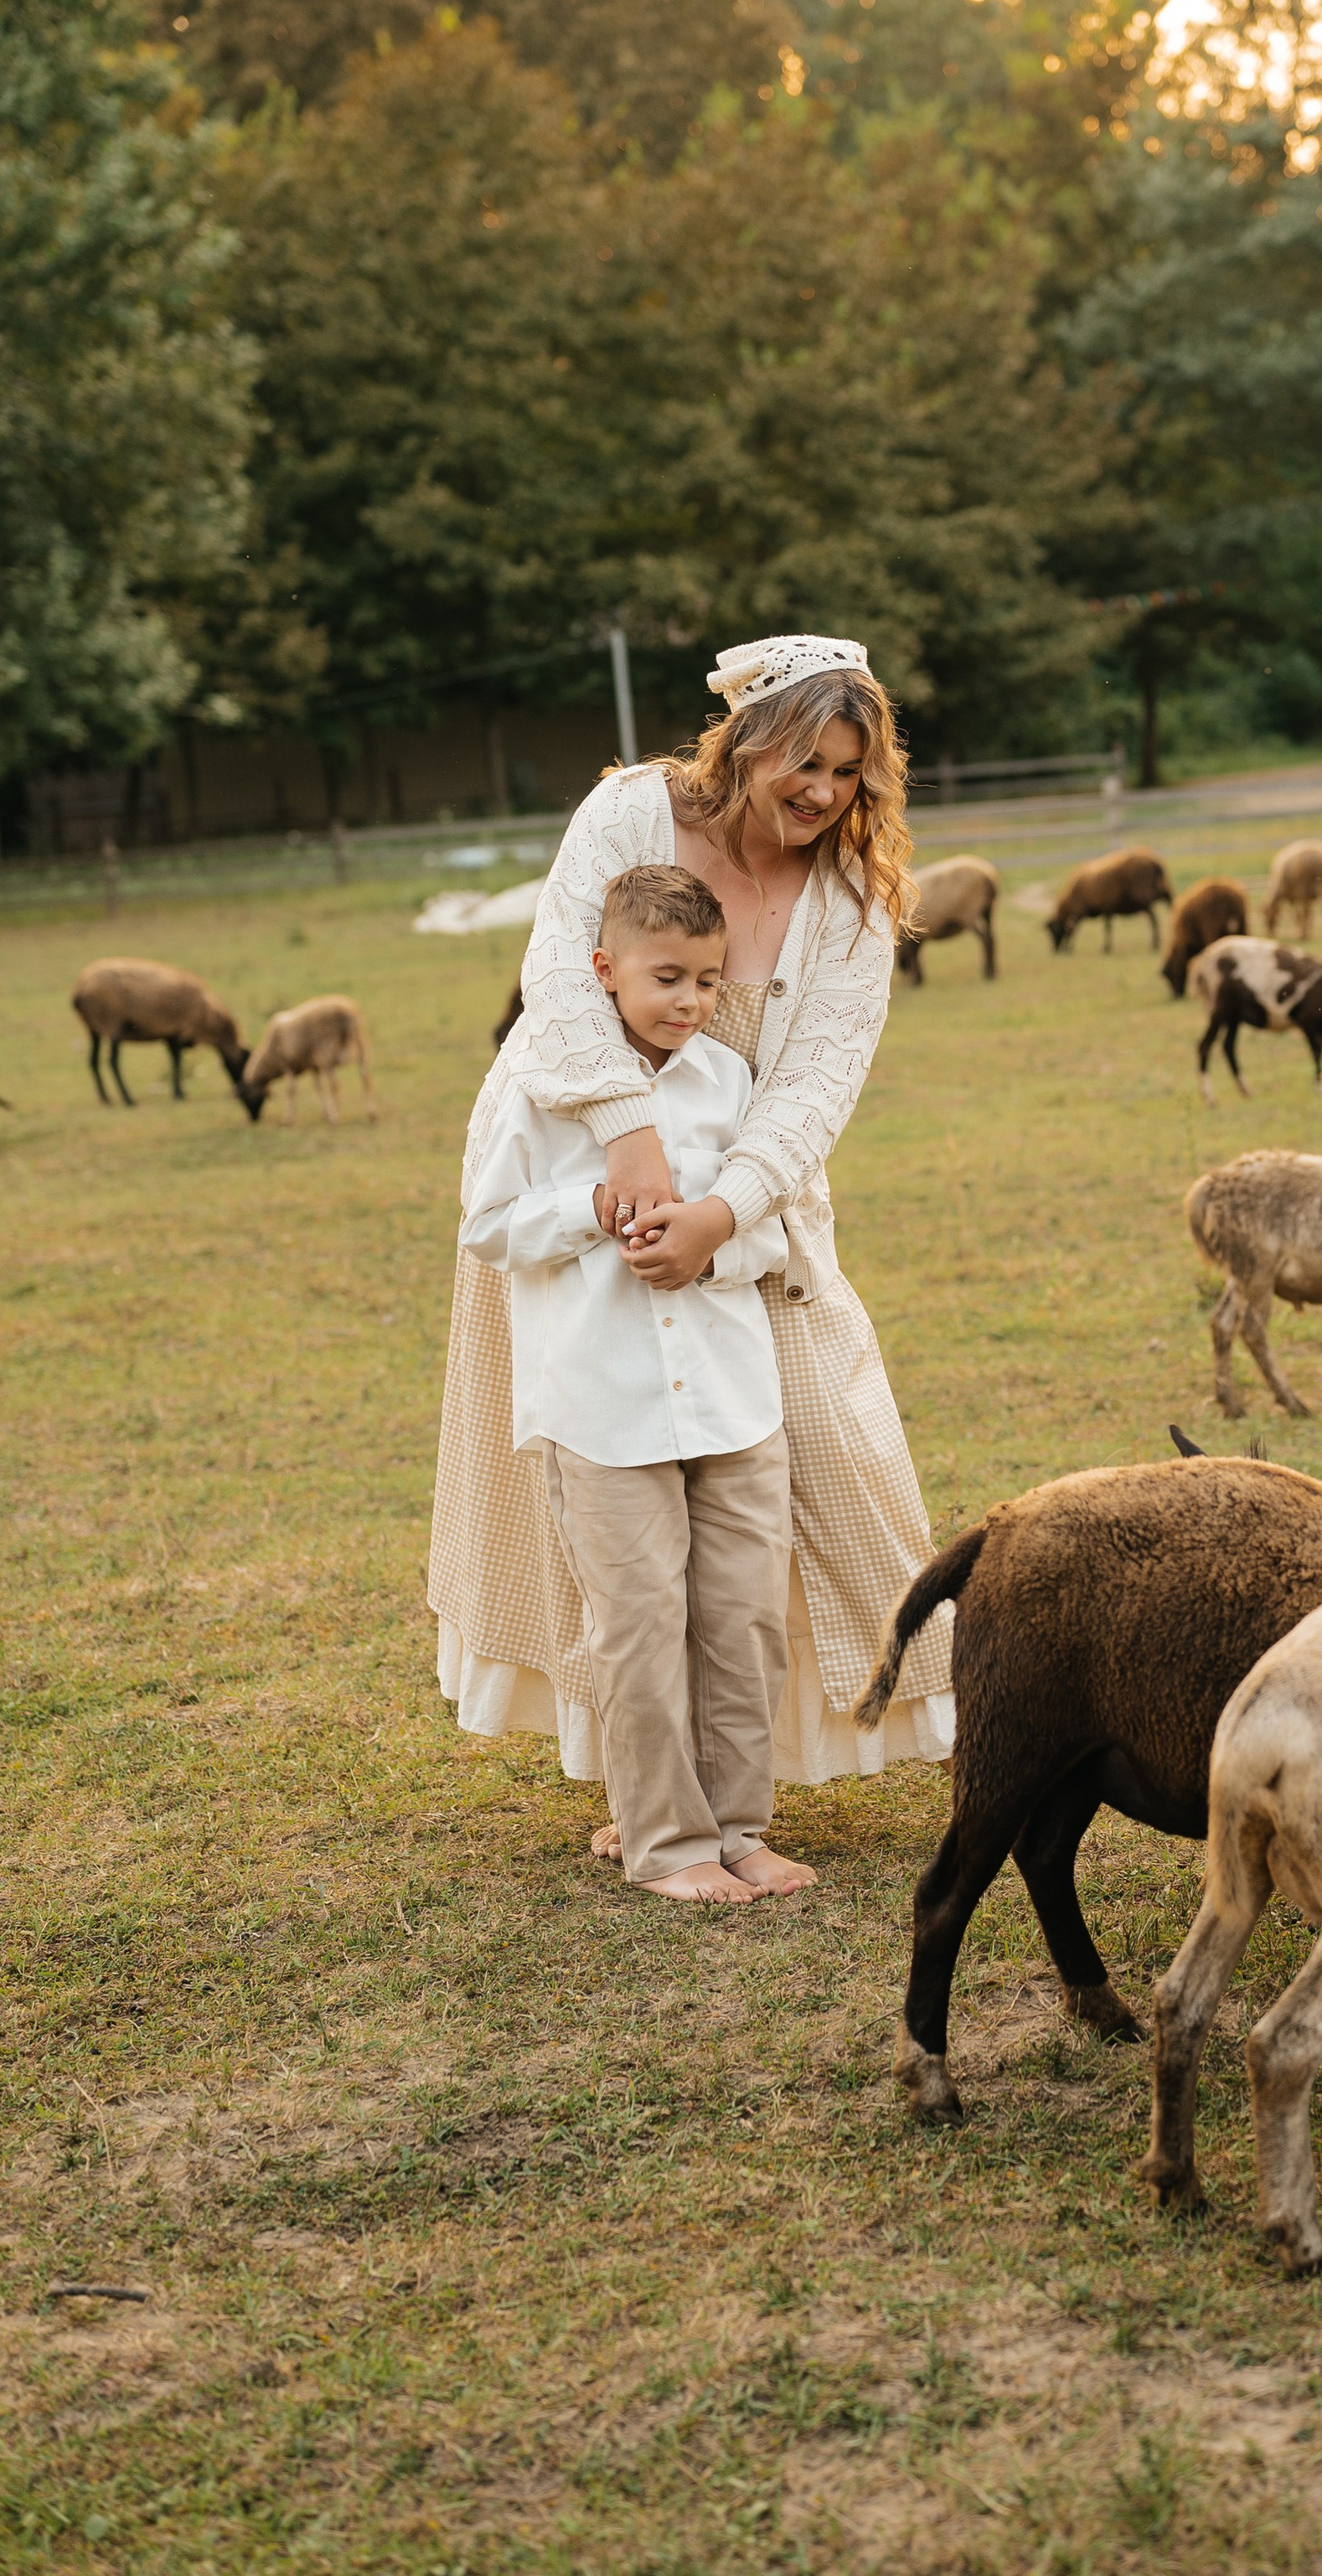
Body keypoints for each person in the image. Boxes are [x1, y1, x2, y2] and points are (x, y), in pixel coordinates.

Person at [428, 632, 953, 1824]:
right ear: (749, 739)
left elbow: (819, 1081)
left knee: (825, 1444)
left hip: (745, 1177)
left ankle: (782, 1760)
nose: (821, 791)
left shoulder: (856, 899)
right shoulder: (629, 816)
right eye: (805, 760)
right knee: (610, 1480)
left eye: (848, 773)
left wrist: (725, 1207)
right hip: (580, 1148)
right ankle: (648, 1796)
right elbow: (562, 974)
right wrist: (628, 1140)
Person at [459, 862, 811, 1903]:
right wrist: (593, 1208)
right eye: (667, 977)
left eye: (707, 980)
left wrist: (710, 1241)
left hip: (731, 1395)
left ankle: (738, 1824)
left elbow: (776, 1229)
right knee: (641, 1626)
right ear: (605, 970)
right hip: (601, 1406)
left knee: (743, 1617)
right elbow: (487, 1226)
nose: (690, 1002)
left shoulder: (727, 1081)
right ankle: (665, 1840)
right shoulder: (539, 1080)